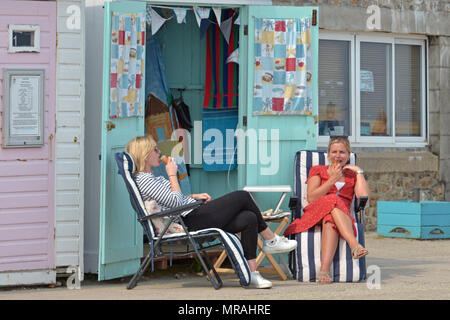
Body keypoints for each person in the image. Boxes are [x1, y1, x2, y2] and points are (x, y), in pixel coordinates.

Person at [125, 135, 297, 289]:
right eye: (155, 149)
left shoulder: (151, 178)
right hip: (188, 221)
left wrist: (193, 196)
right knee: (242, 196)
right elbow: (176, 203)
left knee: (249, 217)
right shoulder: (144, 179)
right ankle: (271, 240)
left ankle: (251, 274)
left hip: (191, 213)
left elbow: (170, 200)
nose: (159, 152)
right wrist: (172, 175)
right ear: (145, 155)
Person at [284, 136, 370, 284]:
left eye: (342, 152)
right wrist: (332, 180)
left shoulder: (351, 175)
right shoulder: (318, 170)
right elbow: (311, 197)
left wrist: (359, 172)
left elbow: (363, 196)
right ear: (329, 154)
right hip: (315, 212)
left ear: (348, 155)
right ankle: (354, 245)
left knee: (330, 220)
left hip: (340, 217)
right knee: (334, 199)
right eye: (334, 151)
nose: (338, 155)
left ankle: (324, 270)